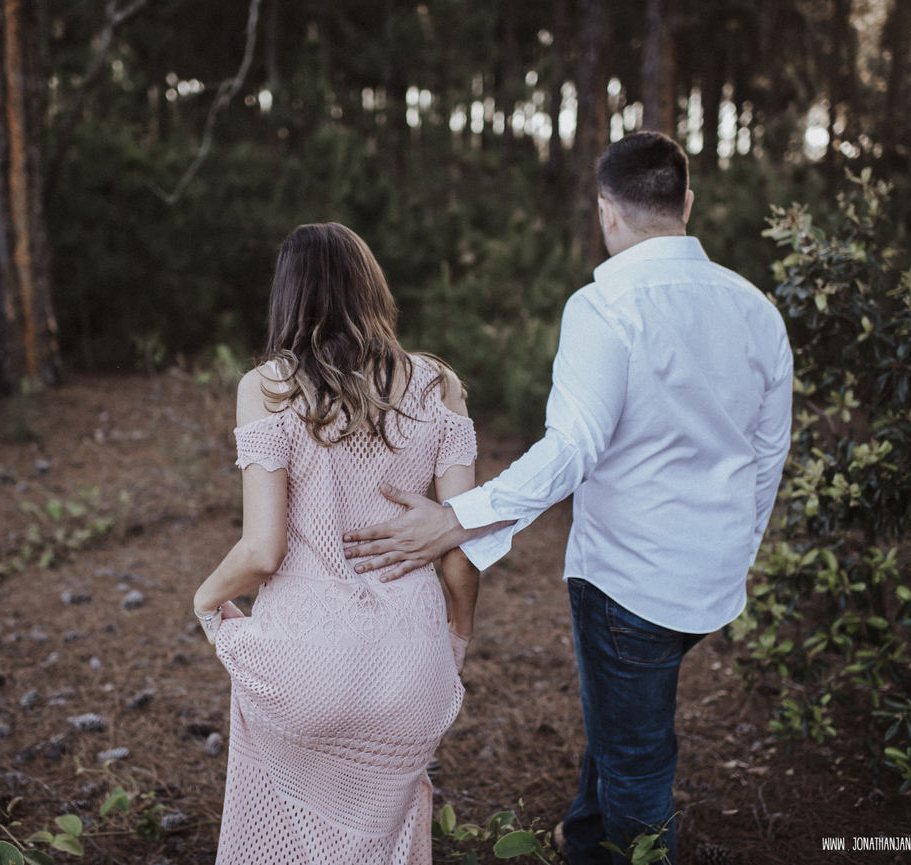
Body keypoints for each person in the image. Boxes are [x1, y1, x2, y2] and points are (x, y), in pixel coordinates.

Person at [343, 131, 793, 864]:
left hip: (629, 584)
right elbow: (769, 451)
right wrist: (738, 549)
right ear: (687, 202)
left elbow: (572, 448)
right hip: (712, 575)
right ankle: (584, 836)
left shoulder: (603, 306)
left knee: (641, 761)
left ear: (605, 213)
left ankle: (627, 845)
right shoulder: (757, 310)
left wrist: (457, 517)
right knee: (624, 715)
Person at [192, 222, 480, 865]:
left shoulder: (267, 388)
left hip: (305, 663)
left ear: (287, 297)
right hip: (412, 666)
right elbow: (461, 543)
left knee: (276, 828)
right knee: (390, 827)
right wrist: (457, 636)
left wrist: (205, 600)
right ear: (372, 288)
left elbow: (262, 551)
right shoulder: (440, 385)